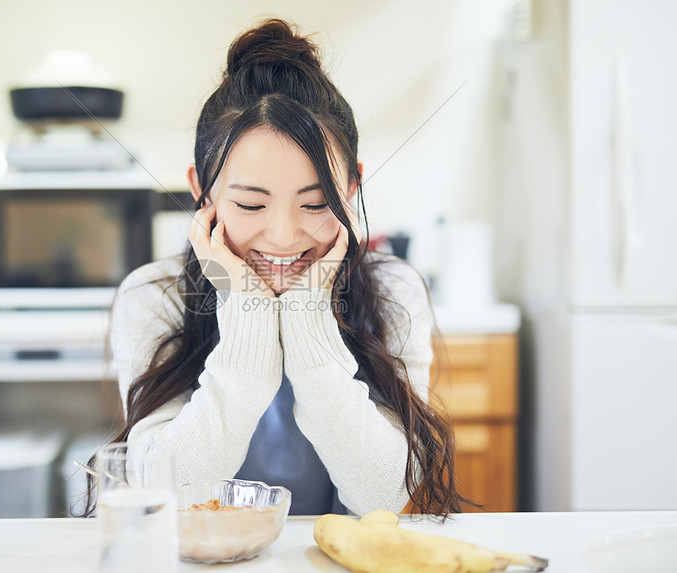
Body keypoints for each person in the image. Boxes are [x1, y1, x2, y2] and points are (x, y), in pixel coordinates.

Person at [99, 18, 462, 517]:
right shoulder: (152, 296)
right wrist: (245, 309)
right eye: (250, 205)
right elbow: (167, 500)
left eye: (315, 204)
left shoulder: (393, 289)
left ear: (351, 186)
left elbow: (383, 498)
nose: (284, 237)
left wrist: (310, 316)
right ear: (201, 192)